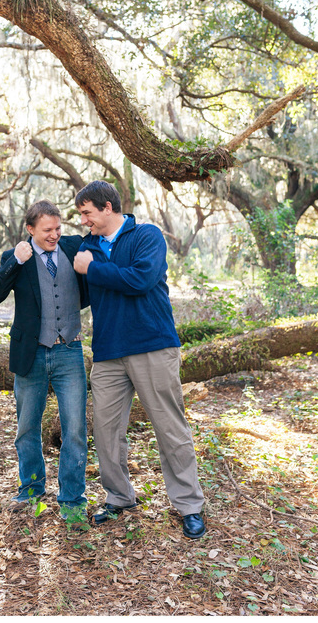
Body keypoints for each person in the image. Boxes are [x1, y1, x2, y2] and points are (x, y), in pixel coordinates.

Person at [71, 180, 206, 539]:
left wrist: (91, 269)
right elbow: (80, 294)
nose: (84, 220)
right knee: (106, 431)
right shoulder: (88, 247)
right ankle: (119, 497)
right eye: (81, 214)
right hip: (108, 353)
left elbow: (141, 279)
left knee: (169, 428)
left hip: (152, 346)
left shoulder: (147, 235)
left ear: (107, 207)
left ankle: (189, 505)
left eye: (87, 213)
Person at [0, 199, 90, 524]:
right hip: (30, 354)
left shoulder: (74, 247)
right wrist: (15, 263)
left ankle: (72, 498)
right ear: (30, 230)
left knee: (74, 429)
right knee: (26, 428)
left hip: (69, 352)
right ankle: (31, 488)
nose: (55, 235)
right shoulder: (16, 257)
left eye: (58, 228)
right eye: (47, 230)